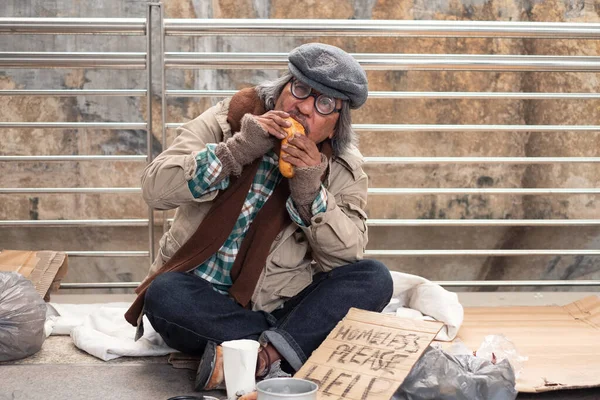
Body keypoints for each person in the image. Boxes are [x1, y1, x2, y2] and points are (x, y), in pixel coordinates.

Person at [125, 43, 393, 391]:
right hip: (197, 298)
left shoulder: (342, 165)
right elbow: (154, 188)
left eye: (325, 103)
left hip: (275, 302)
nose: (304, 107)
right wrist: (235, 150)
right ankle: (286, 348)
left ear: (334, 126)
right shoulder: (227, 120)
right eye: (300, 89)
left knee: (374, 278)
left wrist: (312, 193)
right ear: (282, 89)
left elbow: (345, 256)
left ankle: (258, 357)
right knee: (164, 294)